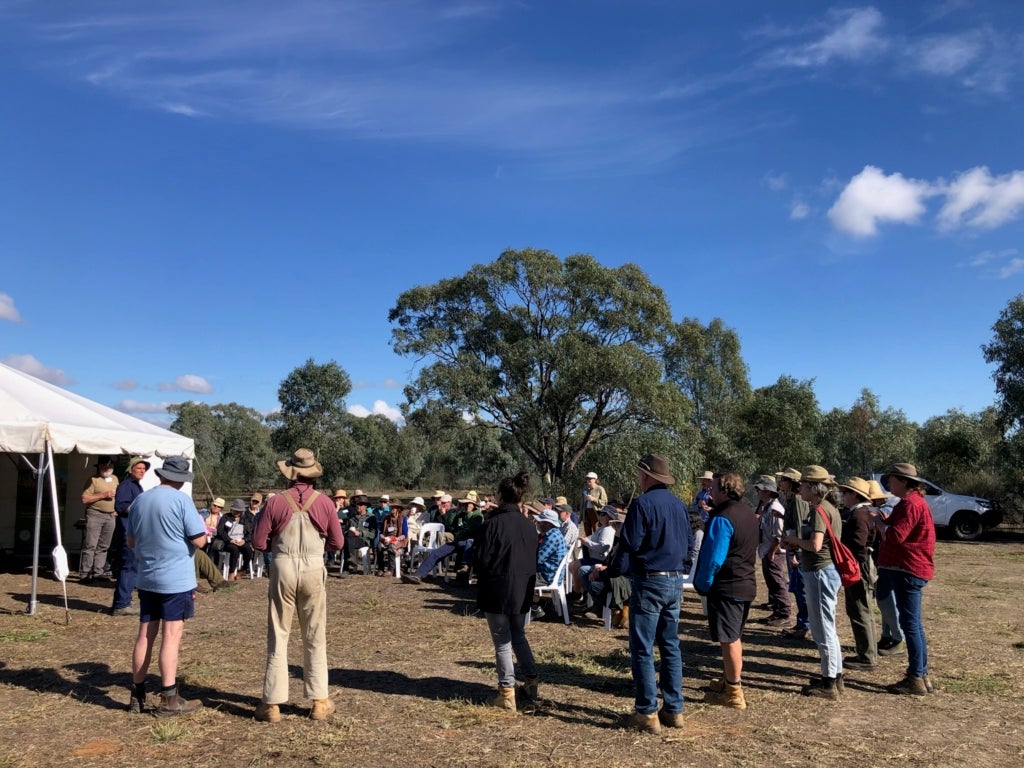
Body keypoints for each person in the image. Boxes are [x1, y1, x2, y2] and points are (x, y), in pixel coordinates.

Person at [252, 448, 344, 722]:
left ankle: (271, 704)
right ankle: (319, 700)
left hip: (283, 566)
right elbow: (338, 543)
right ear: (312, 473)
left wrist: (276, 546)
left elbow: (258, 543)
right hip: (313, 567)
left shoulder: (275, 502)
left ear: (290, 473)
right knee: (315, 634)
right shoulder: (325, 503)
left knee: (278, 633)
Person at [126, 455, 207, 716]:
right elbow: (200, 540)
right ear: (182, 480)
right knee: (171, 638)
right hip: (176, 579)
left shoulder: (140, 499)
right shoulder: (182, 501)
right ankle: (170, 699)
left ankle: (136, 695)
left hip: (147, 577)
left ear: (161, 475)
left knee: (145, 636)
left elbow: (130, 542)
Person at [616, 454, 690, 735]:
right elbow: (687, 543)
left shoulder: (642, 504)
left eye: (639, 475)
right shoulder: (680, 506)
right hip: (674, 580)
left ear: (646, 477)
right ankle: (674, 709)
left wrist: (616, 569)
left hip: (649, 580)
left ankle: (647, 711)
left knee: (642, 647)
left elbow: (630, 543)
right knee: (670, 645)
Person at [473, 472, 539, 712]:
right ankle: (531, 682)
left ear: (500, 496)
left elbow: (480, 559)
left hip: (498, 588)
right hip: (523, 588)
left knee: (502, 641)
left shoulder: (491, 524)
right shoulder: (529, 526)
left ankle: (506, 692)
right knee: (518, 634)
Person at [693, 471, 758, 709]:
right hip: (746, 582)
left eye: (714, 489)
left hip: (728, 585)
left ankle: (733, 691)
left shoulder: (723, 517)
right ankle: (730, 679)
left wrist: (703, 584)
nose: (710, 493)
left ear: (724, 490)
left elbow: (714, 558)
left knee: (729, 639)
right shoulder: (749, 513)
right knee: (734, 636)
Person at [782, 465, 844, 699]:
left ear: (813, 488)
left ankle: (828, 683)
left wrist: (794, 539)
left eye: (803, 486)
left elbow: (816, 545)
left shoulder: (819, 510)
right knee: (828, 626)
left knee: (821, 628)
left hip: (819, 572)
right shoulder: (829, 508)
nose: (800, 490)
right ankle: (835, 675)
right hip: (825, 571)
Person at [876, 463, 936, 696]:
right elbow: (899, 527)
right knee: (914, 624)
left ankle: (916, 677)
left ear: (902, 481)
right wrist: (883, 519)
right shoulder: (911, 503)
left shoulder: (911, 504)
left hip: (908, 569)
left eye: (891, 479)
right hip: (910, 568)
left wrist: (879, 524)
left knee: (911, 624)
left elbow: (897, 536)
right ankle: (921, 673)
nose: (888, 484)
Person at [837, 476, 878, 671]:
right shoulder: (862, 513)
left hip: (858, 567)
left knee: (859, 610)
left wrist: (851, 563)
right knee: (862, 610)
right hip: (861, 565)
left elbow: (859, 545)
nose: (843, 496)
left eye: (845, 493)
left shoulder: (858, 516)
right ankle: (868, 652)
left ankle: (867, 656)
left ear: (854, 494)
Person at [111, 456, 150, 616]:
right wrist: (140, 509)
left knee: (131, 566)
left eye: (144, 469)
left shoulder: (136, 486)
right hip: (127, 532)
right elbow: (120, 506)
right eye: (139, 468)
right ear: (131, 469)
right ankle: (122, 604)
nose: (142, 471)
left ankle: (123, 600)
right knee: (128, 567)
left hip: (134, 532)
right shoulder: (126, 486)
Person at [777, 467, 811, 640]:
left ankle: (804, 625)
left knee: (800, 588)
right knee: (799, 588)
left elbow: (799, 527)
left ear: (791, 482)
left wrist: (795, 552)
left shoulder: (797, 500)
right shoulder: (792, 499)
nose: (781, 482)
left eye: (783, 479)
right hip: (794, 547)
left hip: (796, 550)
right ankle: (802, 623)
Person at [753, 475, 790, 628]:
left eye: (760, 489)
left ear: (767, 491)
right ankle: (777, 611)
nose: (757, 493)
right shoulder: (768, 506)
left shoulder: (775, 508)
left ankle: (784, 613)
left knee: (777, 582)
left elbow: (778, 534)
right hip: (768, 550)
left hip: (774, 551)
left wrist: (772, 553)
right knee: (772, 583)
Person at [79, 456, 119, 582]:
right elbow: (85, 499)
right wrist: (103, 495)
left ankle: (98, 571)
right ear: (99, 467)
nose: (107, 468)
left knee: (104, 545)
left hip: (110, 515)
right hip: (95, 514)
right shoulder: (93, 480)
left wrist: (116, 509)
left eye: (109, 466)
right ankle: (85, 573)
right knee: (90, 545)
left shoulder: (115, 479)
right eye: (104, 466)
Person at [529, 509, 568, 620]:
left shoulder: (551, 537)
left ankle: (535, 607)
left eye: (539, 522)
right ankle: (539, 603)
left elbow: (538, 559)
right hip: (551, 573)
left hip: (548, 575)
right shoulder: (554, 534)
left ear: (547, 523)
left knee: (519, 579)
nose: (537, 524)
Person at [218, 499, 254, 580]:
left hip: (241, 540)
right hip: (228, 541)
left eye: (239, 511)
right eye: (236, 510)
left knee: (248, 549)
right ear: (232, 509)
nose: (237, 513)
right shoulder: (225, 517)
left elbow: (250, 532)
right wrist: (230, 540)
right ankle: (231, 572)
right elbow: (220, 531)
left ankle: (243, 569)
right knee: (234, 550)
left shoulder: (245, 519)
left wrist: (244, 540)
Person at [581, 471, 608, 536]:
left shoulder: (600, 489)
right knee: (587, 532)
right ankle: (587, 545)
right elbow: (582, 503)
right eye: (587, 478)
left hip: (596, 513)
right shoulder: (585, 490)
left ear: (595, 479)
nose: (588, 480)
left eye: (590, 478)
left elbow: (604, 502)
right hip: (586, 513)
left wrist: (593, 499)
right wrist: (581, 516)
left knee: (597, 532)